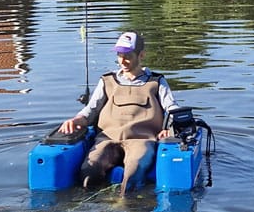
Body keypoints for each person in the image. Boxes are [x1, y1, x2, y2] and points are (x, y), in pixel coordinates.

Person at [58, 31, 178, 194]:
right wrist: (77, 120)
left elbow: (172, 108)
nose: (122, 60)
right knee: (88, 174)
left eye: (128, 55)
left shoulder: (156, 82)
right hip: (107, 138)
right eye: (119, 55)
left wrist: (169, 129)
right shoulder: (107, 81)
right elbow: (91, 110)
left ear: (141, 55)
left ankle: (125, 208)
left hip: (142, 140)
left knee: (132, 175)